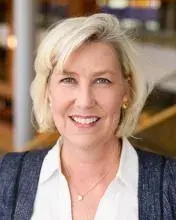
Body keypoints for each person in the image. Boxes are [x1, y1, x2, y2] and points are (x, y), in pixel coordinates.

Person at [0, 13, 176, 220]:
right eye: (68, 80)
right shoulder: (6, 176)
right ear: (48, 91)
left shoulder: (170, 185)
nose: (84, 101)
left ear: (126, 90)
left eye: (102, 81)